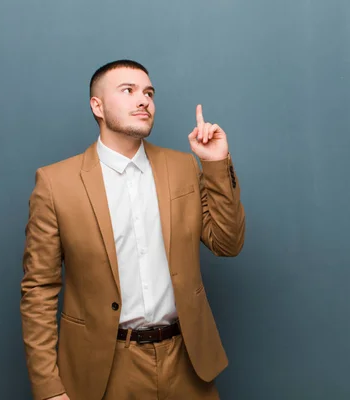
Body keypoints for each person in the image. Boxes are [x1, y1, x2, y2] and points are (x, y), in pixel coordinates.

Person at [20, 59, 245, 400]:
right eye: (128, 91)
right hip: (105, 368)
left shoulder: (183, 167)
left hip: (187, 361)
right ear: (97, 106)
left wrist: (214, 164)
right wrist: (48, 387)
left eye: (149, 92)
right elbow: (39, 289)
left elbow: (227, 243)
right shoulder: (55, 183)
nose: (144, 100)